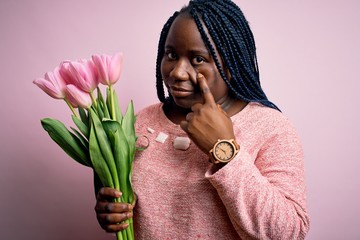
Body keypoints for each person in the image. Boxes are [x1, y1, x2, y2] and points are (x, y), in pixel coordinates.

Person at [94, 0, 310, 239]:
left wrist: (225, 152)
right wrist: (110, 210)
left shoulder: (272, 129)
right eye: (171, 55)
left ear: (231, 64)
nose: (177, 72)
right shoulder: (139, 122)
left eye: (198, 59)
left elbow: (288, 233)